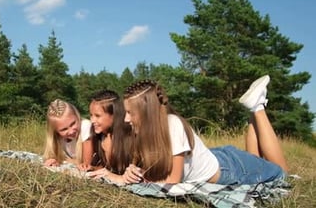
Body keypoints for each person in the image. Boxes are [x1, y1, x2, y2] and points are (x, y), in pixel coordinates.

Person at [121, 75, 289, 185]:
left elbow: (173, 181)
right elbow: (151, 172)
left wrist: (142, 180)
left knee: (282, 175)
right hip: (217, 157)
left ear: (147, 112)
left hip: (231, 169)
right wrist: (132, 173)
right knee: (256, 160)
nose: (125, 119)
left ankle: (258, 108)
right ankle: (254, 110)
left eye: (130, 113)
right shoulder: (143, 133)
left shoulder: (172, 125)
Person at [87, 90, 133, 176]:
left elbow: (121, 172)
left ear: (114, 115)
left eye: (97, 116)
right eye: (91, 115)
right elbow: (108, 169)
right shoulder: (99, 136)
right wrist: (93, 168)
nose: (92, 120)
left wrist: (109, 150)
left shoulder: (129, 138)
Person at [43, 98, 93, 170]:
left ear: (77, 115)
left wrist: (62, 161)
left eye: (73, 124)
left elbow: (86, 164)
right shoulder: (58, 139)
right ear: (56, 132)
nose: (71, 131)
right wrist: (54, 161)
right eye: (64, 129)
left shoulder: (85, 126)